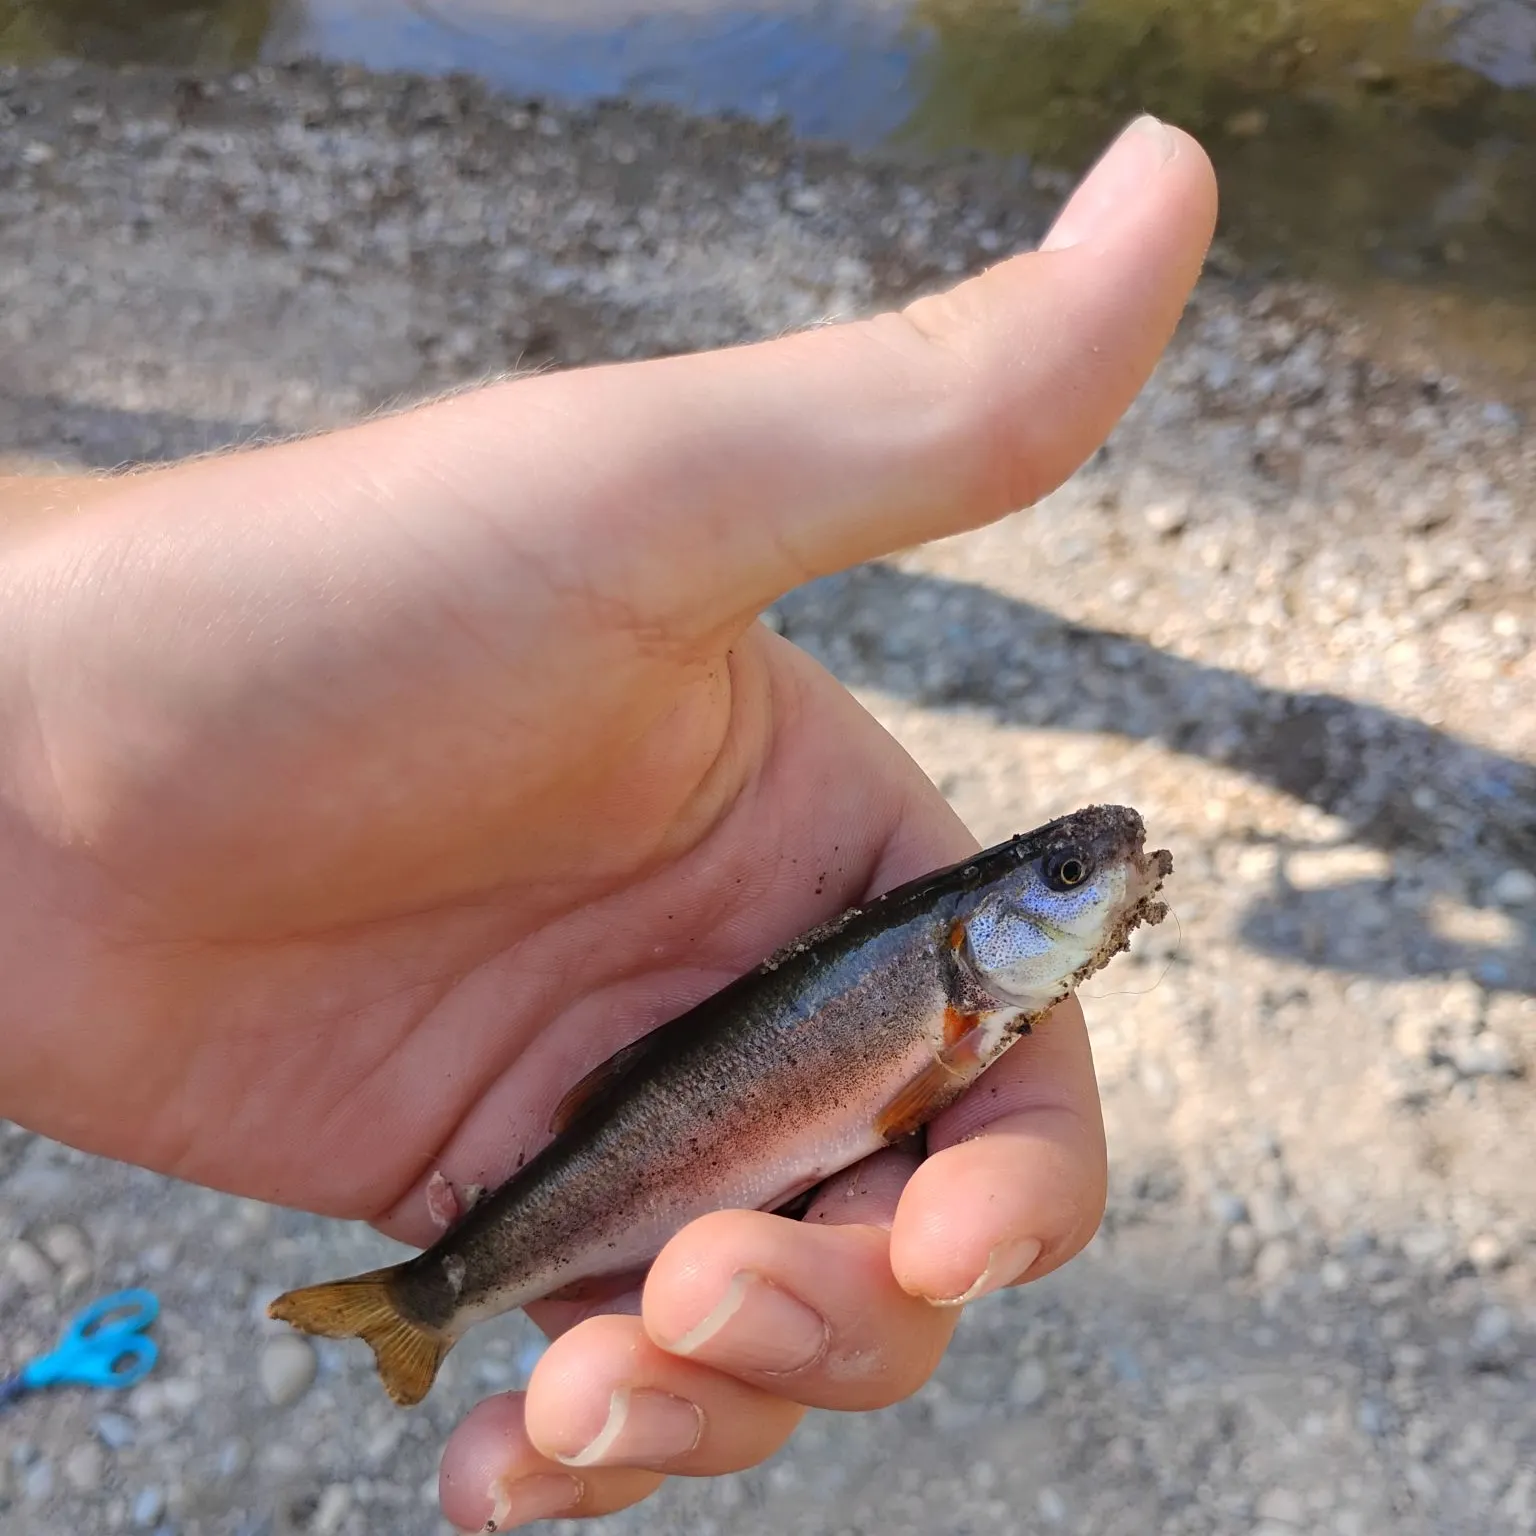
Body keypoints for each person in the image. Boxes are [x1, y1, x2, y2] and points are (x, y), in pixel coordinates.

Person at [0, 116, 1216, 1529]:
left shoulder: (961, 989)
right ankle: (431, 1298)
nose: (1092, 882)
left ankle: (431, 1297)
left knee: (809, 1282)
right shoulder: (946, 991)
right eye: (1063, 875)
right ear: (984, 931)